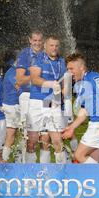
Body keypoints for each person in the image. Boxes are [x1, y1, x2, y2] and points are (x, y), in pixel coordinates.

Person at [62, 54, 99, 163]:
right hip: (98, 123)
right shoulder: (80, 85)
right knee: (92, 160)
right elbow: (84, 111)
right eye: (68, 69)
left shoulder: (93, 77)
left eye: (71, 69)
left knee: (78, 155)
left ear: (81, 67)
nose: (69, 72)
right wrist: (72, 127)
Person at [27, 36, 68, 164]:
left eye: (56, 45)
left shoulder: (62, 61)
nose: (54, 48)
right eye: (51, 45)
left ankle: (61, 173)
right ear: (45, 46)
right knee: (32, 141)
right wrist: (49, 84)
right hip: (37, 101)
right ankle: (30, 172)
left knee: (57, 140)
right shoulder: (37, 58)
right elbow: (34, 78)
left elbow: (65, 81)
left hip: (53, 102)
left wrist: (63, 94)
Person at [15, 31, 51, 163]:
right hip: (28, 97)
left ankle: (45, 170)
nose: (37, 43)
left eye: (39, 40)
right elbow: (19, 80)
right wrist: (36, 77)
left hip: (46, 97)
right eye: (34, 40)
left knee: (46, 136)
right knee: (30, 137)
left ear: (43, 41)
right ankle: (27, 167)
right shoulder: (25, 54)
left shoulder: (47, 54)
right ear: (29, 40)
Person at [1, 59, 21, 161]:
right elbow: (20, 87)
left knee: (17, 135)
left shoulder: (15, 71)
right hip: (11, 106)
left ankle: (17, 159)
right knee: (10, 134)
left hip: (14, 106)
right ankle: (4, 160)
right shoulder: (13, 72)